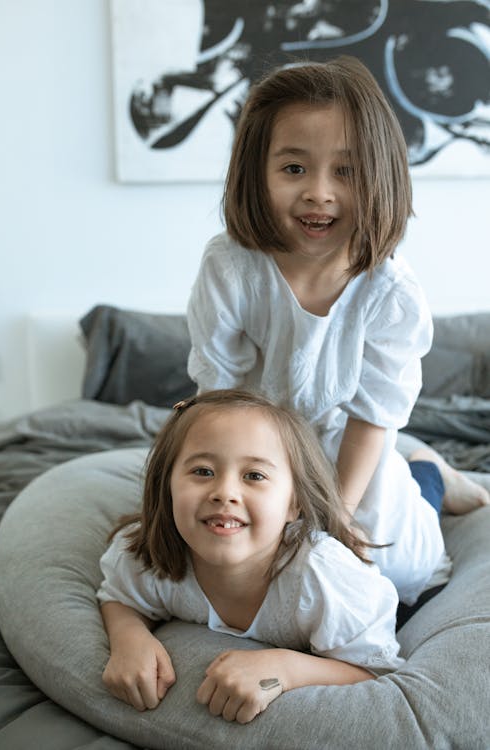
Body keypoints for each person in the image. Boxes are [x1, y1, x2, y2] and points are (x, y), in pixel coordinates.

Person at [186, 55, 489, 606]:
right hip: (257, 439)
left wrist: (333, 522)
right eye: (294, 169)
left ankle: (429, 476)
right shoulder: (230, 268)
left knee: (389, 570)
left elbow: (373, 413)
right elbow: (220, 395)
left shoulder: (389, 291)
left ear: (379, 176)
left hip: (348, 441)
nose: (318, 193)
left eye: (345, 172)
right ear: (257, 173)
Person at [98, 389, 413, 724]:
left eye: (254, 475)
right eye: (203, 471)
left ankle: (430, 467)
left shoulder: (324, 578)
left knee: (408, 504)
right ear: (167, 487)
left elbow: (373, 670)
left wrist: (287, 668)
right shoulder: (151, 557)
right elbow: (118, 599)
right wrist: (128, 637)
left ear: (295, 504)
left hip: (398, 526)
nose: (225, 493)